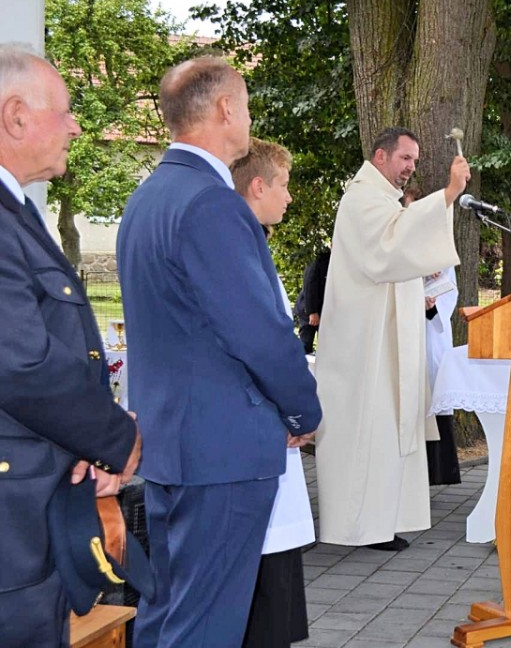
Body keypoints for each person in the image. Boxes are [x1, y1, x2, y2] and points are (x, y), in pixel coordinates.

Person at [117, 57, 322, 648]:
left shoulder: (149, 198)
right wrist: (303, 412)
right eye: (248, 104)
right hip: (221, 452)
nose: (250, 117)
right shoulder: (212, 202)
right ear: (226, 109)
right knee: (205, 626)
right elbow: (257, 332)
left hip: (172, 444)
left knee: (168, 614)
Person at [0, 46, 142, 646]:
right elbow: (21, 363)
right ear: (16, 116)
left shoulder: (16, 209)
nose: (77, 125)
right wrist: (115, 438)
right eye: (65, 111)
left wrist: (84, 443)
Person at [315, 127, 469, 550]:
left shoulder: (381, 199)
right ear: (380, 156)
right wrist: (447, 196)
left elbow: (402, 239)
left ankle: (382, 521)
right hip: (365, 345)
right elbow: (389, 249)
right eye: (405, 159)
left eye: (415, 161)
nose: (410, 168)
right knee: (368, 431)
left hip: (386, 339)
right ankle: (359, 527)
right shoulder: (362, 197)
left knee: (387, 431)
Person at [230, 139, 313, 648]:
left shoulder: (250, 240)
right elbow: (264, 340)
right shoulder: (236, 244)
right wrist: (296, 412)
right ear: (257, 186)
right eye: (283, 185)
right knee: (262, 576)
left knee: (275, 568)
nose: (288, 197)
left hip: (266, 425)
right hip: (258, 428)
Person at [403, 183, 461, 487]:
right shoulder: (396, 246)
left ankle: (438, 470)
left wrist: (430, 304)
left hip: (429, 332)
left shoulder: (440, 250)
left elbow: (449, 290)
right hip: (402, 336)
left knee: (432, 396)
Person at [294, 247, 331, 354]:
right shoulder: (319, 260)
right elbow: (310, 286)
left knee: (326, 346)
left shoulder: (340, 263)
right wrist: (312, 312)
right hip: (309, 311)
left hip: (325, 311)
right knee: (305, 345)